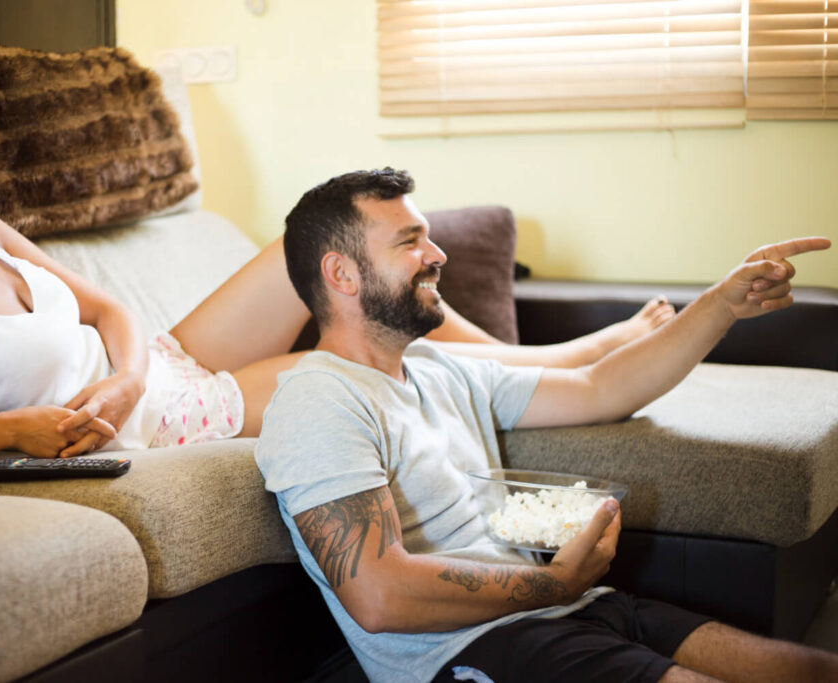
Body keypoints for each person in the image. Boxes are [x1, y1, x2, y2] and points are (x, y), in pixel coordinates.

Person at [0, 66, 669, 478]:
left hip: (155, 369)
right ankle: (581, 369)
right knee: (352, 348)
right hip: (160, 425)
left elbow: (110, 309)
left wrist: (125, 374)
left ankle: (568, 351)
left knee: (324, 241)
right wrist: (10, 431)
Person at [255, 168, 836, 682]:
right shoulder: (320, 400)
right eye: (410, 242)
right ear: (342, 274)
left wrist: (723, 304)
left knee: (811, 669)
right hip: (475, 646)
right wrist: (557, 583)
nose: (437, 254)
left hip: (576, 605)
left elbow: (602, 388)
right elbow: (379, 596)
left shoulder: (439, 369)